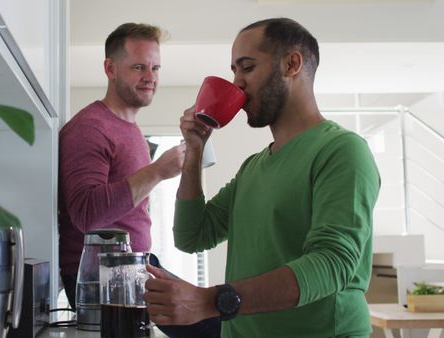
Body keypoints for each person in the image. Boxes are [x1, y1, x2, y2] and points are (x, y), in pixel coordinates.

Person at [144, 18, 381, 337]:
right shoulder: (253, 167)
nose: (237, 83)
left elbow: (332, 263)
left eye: (248, 67)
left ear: (292, 64)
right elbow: (192, 236)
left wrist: (212, 301)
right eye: (233, 71)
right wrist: (194, 150)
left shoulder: (341, 151)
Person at [58, 22, 185, 311]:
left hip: (132, 266)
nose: (150, 77)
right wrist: (157, 171)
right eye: (139, 67)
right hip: (104, 276)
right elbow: (87, 215)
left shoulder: (130, 129)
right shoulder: (90, 128)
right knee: (214, 326)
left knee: (216, 319)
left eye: (156, 68)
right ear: (110, 68)